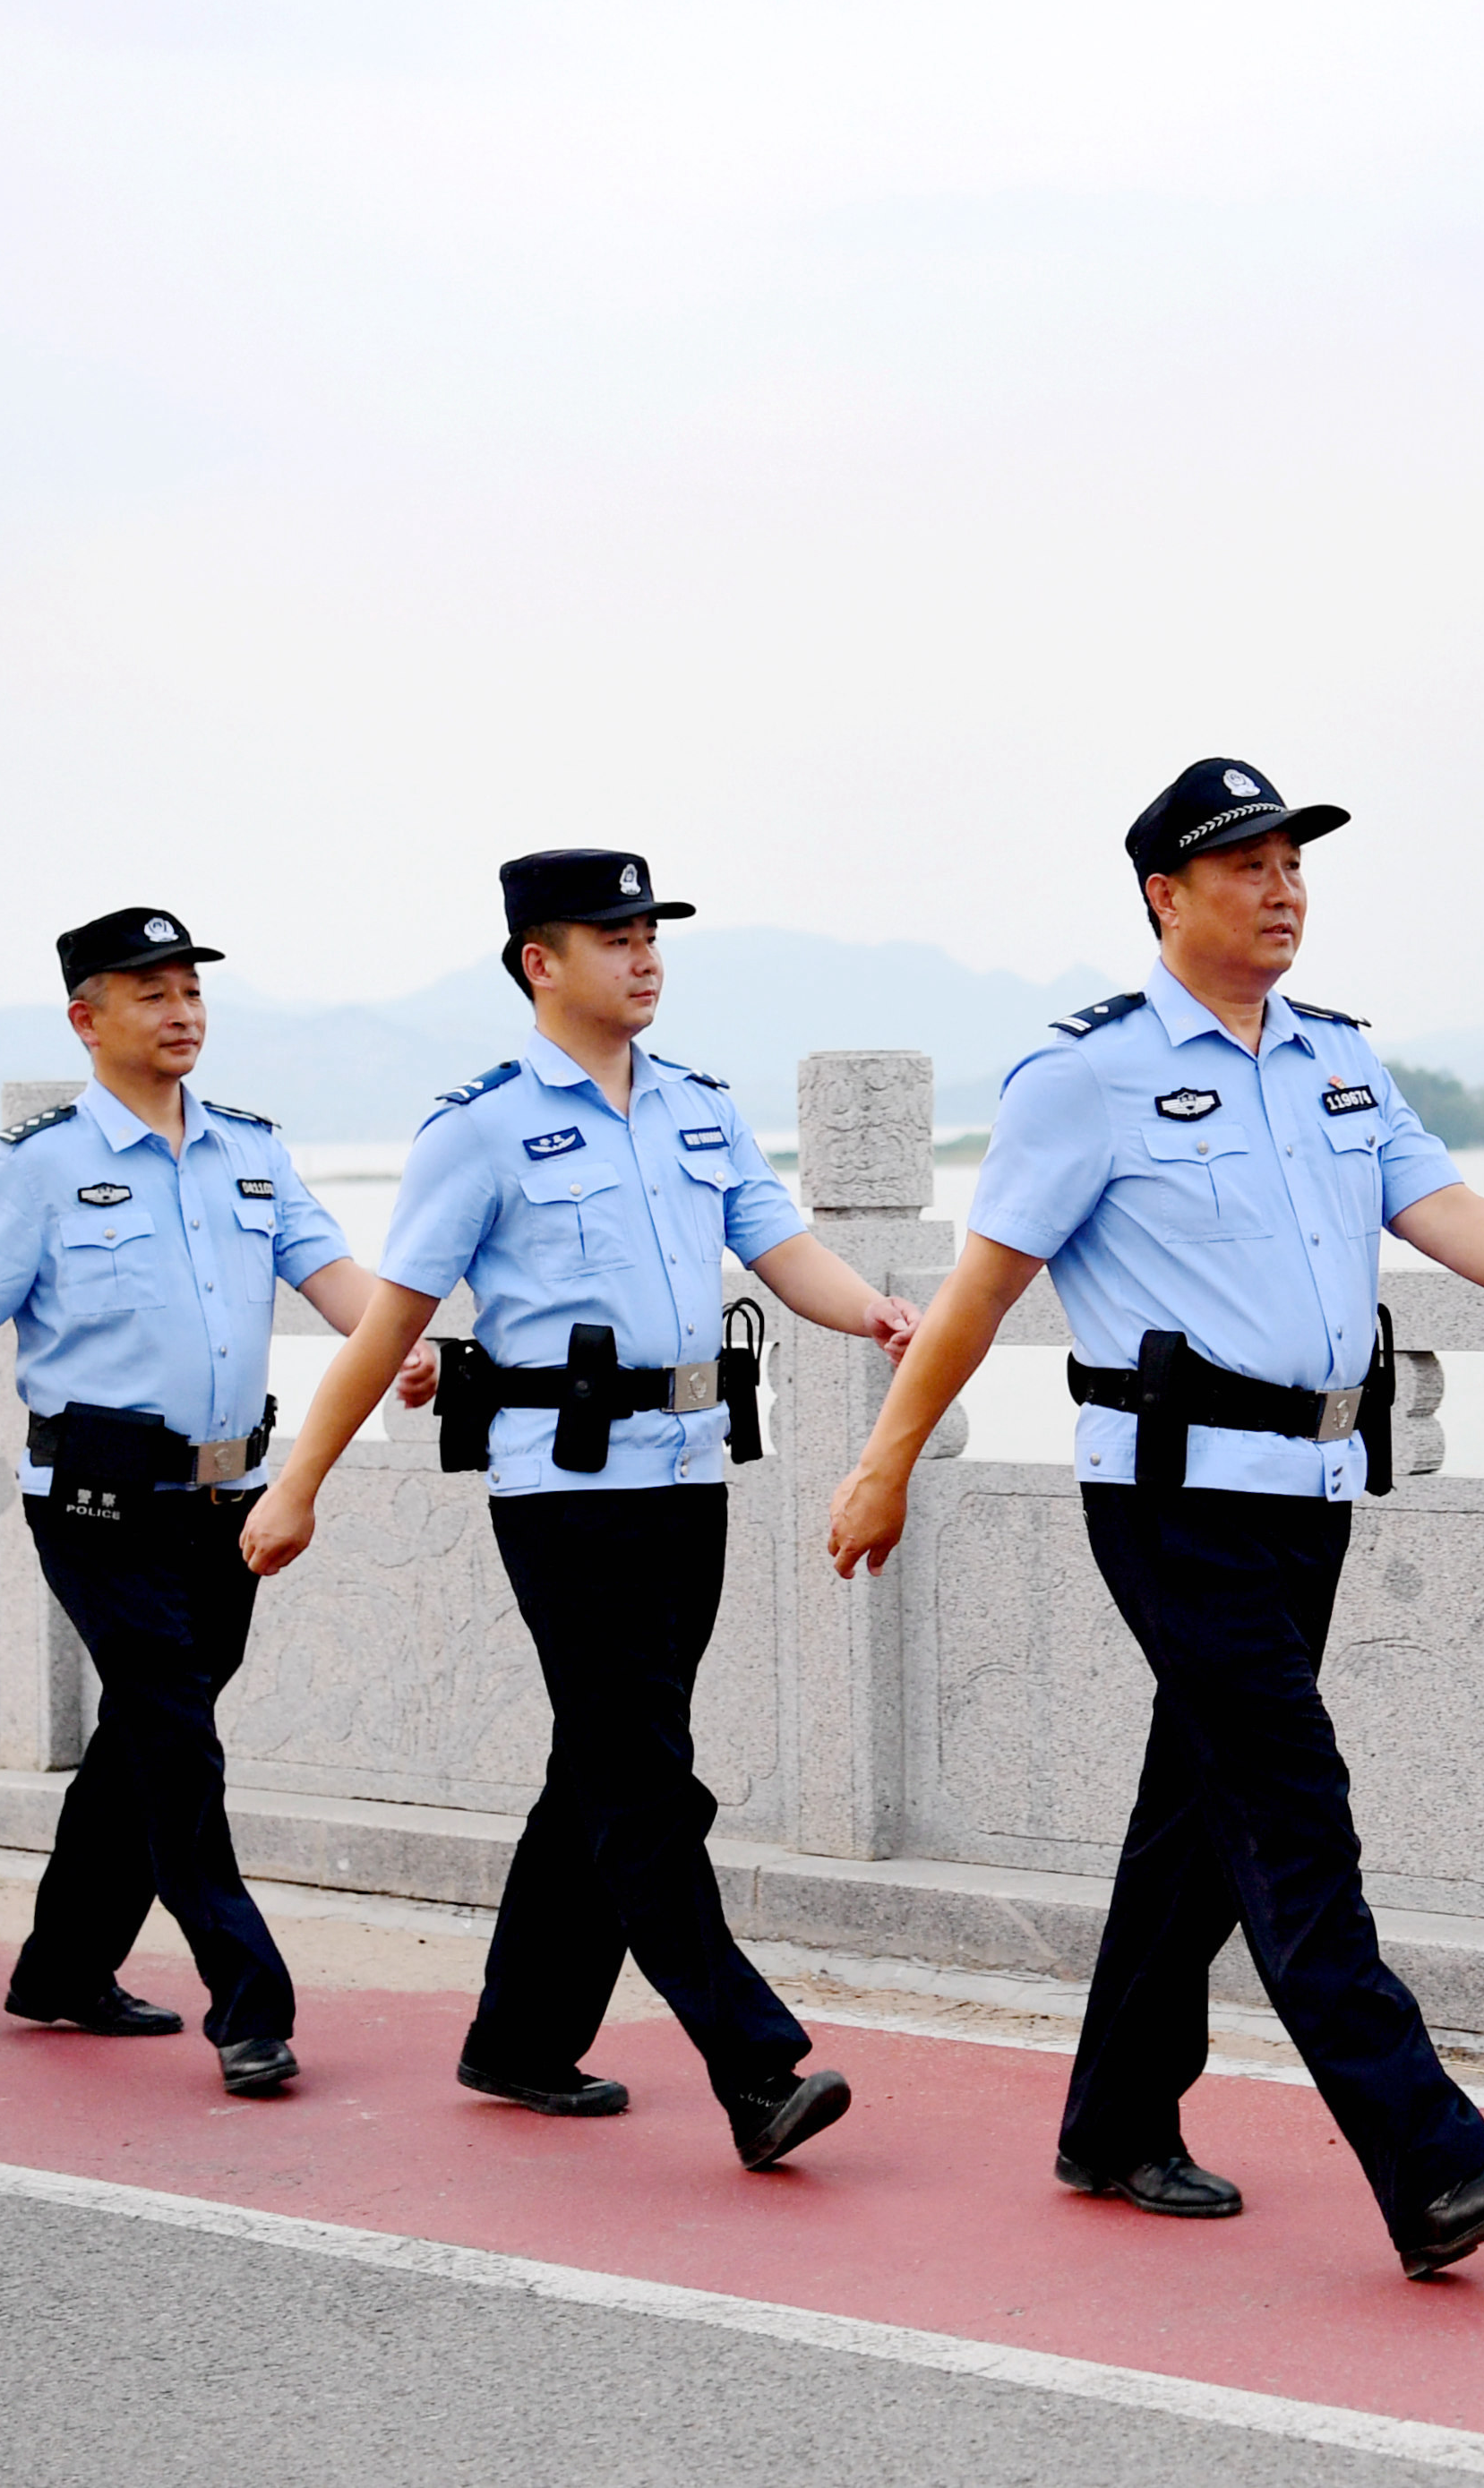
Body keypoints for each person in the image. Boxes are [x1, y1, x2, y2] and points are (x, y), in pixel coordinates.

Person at [821, 758, 1484, 2281]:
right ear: (1165, 895)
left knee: (1199, 1817)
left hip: (1312, 1487)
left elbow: (1439, 1206)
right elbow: (980, 1292)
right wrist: (887, 1460)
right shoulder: (1084, 1077)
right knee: (1290, 1811)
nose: (1281, 893)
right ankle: (1429, 2157)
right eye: (1246, 868)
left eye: (1292, 867)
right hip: (1168, 1493)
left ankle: (1114, 2121)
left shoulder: (1336, 1062)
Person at [242, 848, 918, 2170]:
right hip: (565, 1494)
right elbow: (391, 1321)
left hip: (688, 1479)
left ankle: (520, 2037)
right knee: (647, 1786)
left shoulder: (698, 1110)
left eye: (652, 931)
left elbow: (780, 1247)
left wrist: (877, 1310)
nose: (646, 954)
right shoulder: (479, 1127)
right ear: (538, 964)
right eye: (613, 937)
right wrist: (300, 1482)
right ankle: (753, 2062)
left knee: (604, 1773)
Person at [0, 906, 433, 2097]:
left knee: (141, 1746)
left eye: (191, 992)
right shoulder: (37, 1167)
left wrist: (400, 1341)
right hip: (97, 1507)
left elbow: (338, 1279)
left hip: (226, 1503)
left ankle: (60, 1967)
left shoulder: (251, 1151)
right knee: (176, 1739)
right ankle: (250, 2004)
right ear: (85, 1018)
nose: (181, 1013)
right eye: (150, 993)